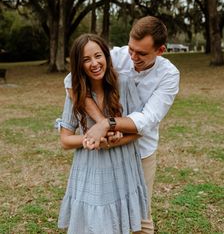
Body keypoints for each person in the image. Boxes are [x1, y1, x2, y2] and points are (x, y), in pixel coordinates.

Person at [64, 16, 180, 234]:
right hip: (106, 152)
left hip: (141, 151)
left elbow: (146, 120)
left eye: (142, 54)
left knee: (140, 217)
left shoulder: (169, 76)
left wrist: (106, 125)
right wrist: (101, 123)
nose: (133, 57)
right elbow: (71, 81)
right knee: (109, 215)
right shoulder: (116, 56)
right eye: (131, 49)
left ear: (161, 50)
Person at [56, 33, 148, 234]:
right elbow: (65, 140)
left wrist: (117, 137)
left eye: (98, 56)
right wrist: (92, 138)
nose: (94, 63)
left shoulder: (123, 83)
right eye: (86, 59)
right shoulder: (76, 90)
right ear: (79, 64)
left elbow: (140, 129)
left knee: (118, 224)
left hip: (123, 165)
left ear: (107, 56)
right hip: (91, 167)